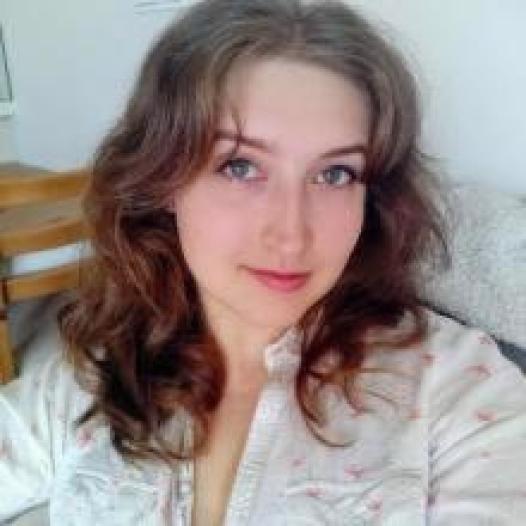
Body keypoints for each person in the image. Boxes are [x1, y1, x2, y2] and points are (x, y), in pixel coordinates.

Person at [1, 0, 526, 524]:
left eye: (335, 174)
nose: (291, 235)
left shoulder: (463, 393)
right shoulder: (91, 376)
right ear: (163, 179)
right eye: (240, 166)